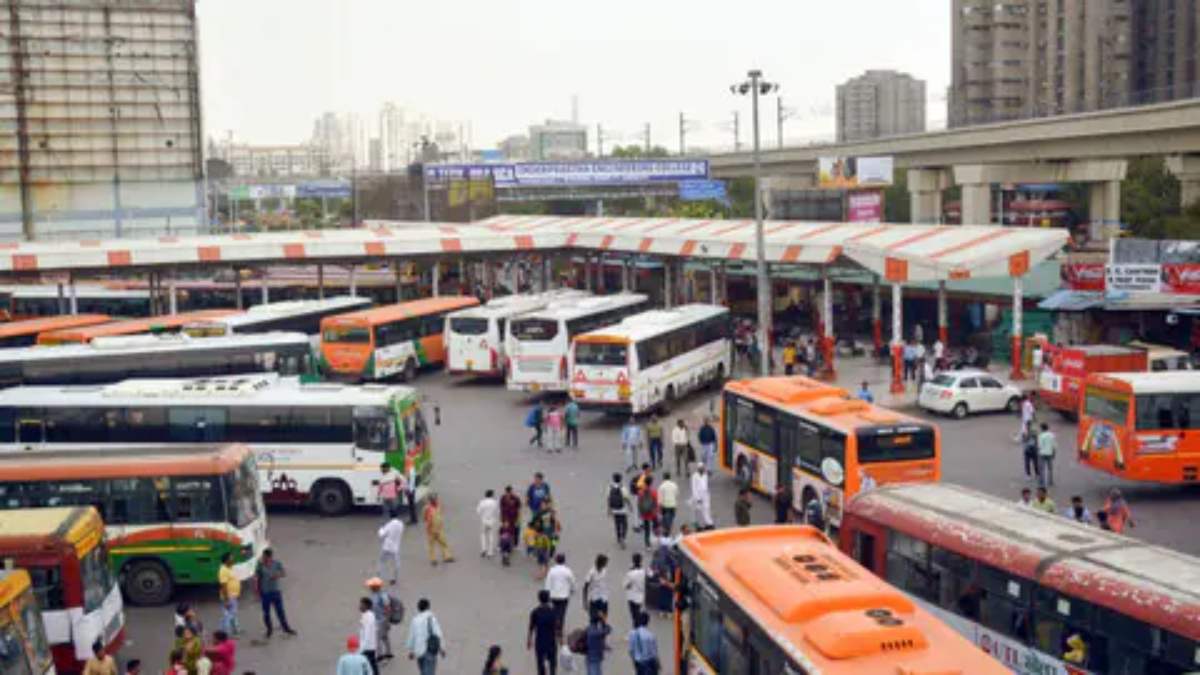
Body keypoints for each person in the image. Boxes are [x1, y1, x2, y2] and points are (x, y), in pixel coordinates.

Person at [253, 548, 296, 639]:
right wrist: (257, 591)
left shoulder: (277, 564)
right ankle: (269, 630)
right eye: (263, 556)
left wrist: (277, 575)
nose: (264, 558)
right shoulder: (260, 565)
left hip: (276, 592)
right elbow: (256, 578)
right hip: (265, 593)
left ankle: (286, 628)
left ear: (270, 557)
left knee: (280, 611)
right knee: (266, 613)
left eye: (266, 557)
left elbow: (284, 573)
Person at [406, 598, 446, 675]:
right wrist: (442, 649)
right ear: (428, 607)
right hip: (430, 650)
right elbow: (438, 634)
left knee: (423, 672)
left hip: (419, 651)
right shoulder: (432, 619)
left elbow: (412, 636)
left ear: (418, 608)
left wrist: (411, 651)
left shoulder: (415, 620)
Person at [527, 589, 559, 675]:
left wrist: (529, 640)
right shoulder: (553, 612)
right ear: (549, 599)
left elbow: (531, 627)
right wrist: (560, 639)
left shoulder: (535, 612)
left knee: (540, 663)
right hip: (551, 641)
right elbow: (557, 627)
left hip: (540, 641)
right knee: (552, 662)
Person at [544, 553, 576, 639]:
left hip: (553, 595)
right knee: (562, 613)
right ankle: (559, 629)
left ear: (556, 560)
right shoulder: (567, 571)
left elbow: (548, 583)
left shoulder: (552, 570)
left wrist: (547, 593)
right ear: (564, 560)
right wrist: (573, 590)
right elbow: (572, 581)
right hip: (564, 596)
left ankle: (554, 627)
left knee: (554, 612)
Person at [366, 578, 396, 663]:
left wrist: (387, 620)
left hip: (382, 620)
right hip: (377, 619)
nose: (370, 587)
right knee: (384, 637)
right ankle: (388, 653)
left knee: (378, 638)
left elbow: (387, 608)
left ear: (376, 587)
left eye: (371, 586)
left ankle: (380, 657)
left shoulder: (382, 595)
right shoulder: (373, 595)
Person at [423, 493, 455, 566]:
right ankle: (433, 559)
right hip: (431, 529)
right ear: (430, 500)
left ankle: (447, 556)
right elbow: (425, 518)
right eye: (434, 499)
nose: (435, 500)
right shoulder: (427, 508)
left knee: (443, 543)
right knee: (431, 545)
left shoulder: (439, 506)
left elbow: (440, 514)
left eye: (435, 498)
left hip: (439, 528)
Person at [377, 510, 405, 583]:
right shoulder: (401, 524)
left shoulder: (389, 524)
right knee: (396, 563)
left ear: (390, 516)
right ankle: (394, 578)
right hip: (395, 547)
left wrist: (381, 528)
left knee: (382, 561)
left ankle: (380, 577)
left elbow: (381, 535)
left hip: (387, 546)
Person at [217, 553, 241, 636]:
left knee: (233, 614)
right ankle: (225, 633)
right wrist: (226, 600)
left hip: (233, 596)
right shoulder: (223, 570)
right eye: (231, 558)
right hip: (229, 597)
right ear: (226, 560)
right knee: (227, 616)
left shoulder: (230, 568)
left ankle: (235, 630)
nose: (233, 559)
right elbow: (223, 586)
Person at [605, 472, 631, 548]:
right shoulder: (623, 488)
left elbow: (608, 499)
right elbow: (626, 498)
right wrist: (630, 507)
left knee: (617, 524)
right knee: (625, 524)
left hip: (614, 509)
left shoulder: (609, 487)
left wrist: (609, 509)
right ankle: (623, 537)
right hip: (622, 509)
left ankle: (619, 538)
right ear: (620, 479)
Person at [584, 608, 611, 675]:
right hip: (596, 658)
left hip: (589, 657)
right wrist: (604, 620)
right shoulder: (597, 632)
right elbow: (609, 629)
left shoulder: (588, 629)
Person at [356, 597, 379, 675]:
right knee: (372, 668)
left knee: (369, 669)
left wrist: (361, 649)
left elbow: (367, 634)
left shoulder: (368, 616)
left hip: (367, 648)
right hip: (369, 647)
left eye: (361, 604)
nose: (359, 606)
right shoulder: (366, 615)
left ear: (366, 606)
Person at [636, 475, 659, 548]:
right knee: (655, 527)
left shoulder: (641, 492)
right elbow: (656, 502)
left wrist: (640, 512)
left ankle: (647, 544)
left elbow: (639, 503)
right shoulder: (654, 492)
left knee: (647, 529)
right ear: (651, 483)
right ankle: (656, 541)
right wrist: (656, 511)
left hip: (644, 513)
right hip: (652, 513)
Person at [623, 553, 647, 624]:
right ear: (641, 561)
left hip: (631, 596)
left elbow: (625, 585)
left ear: (633, 561)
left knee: (634, 614)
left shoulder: (631, 573)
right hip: (640, 596)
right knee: (638, 612)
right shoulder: (644, 572)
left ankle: (636, 626)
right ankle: (638, 624)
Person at [477, 488, 499, 558]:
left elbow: (478, 511)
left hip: (484, 520)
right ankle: (490, 552)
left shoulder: (482, 502)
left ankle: (483, 549)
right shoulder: (495, 502)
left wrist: (483, 514)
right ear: (492, 495)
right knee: (491, 535)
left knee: (483, 535)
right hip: (492, 520)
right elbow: (498, 512)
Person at [690, 465, 714, 530]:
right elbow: (694, 487)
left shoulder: (705, 475)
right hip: (698, 495)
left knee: (706, 509)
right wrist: (697, 498)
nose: (702, 470)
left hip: (705, 495)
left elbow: (706, 485)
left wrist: (707, 495)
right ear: (698, 469)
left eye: (703, 469)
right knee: (698, 510)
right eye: (701, 469)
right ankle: (699, 525)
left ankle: (708, 523)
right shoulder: (694, 476)